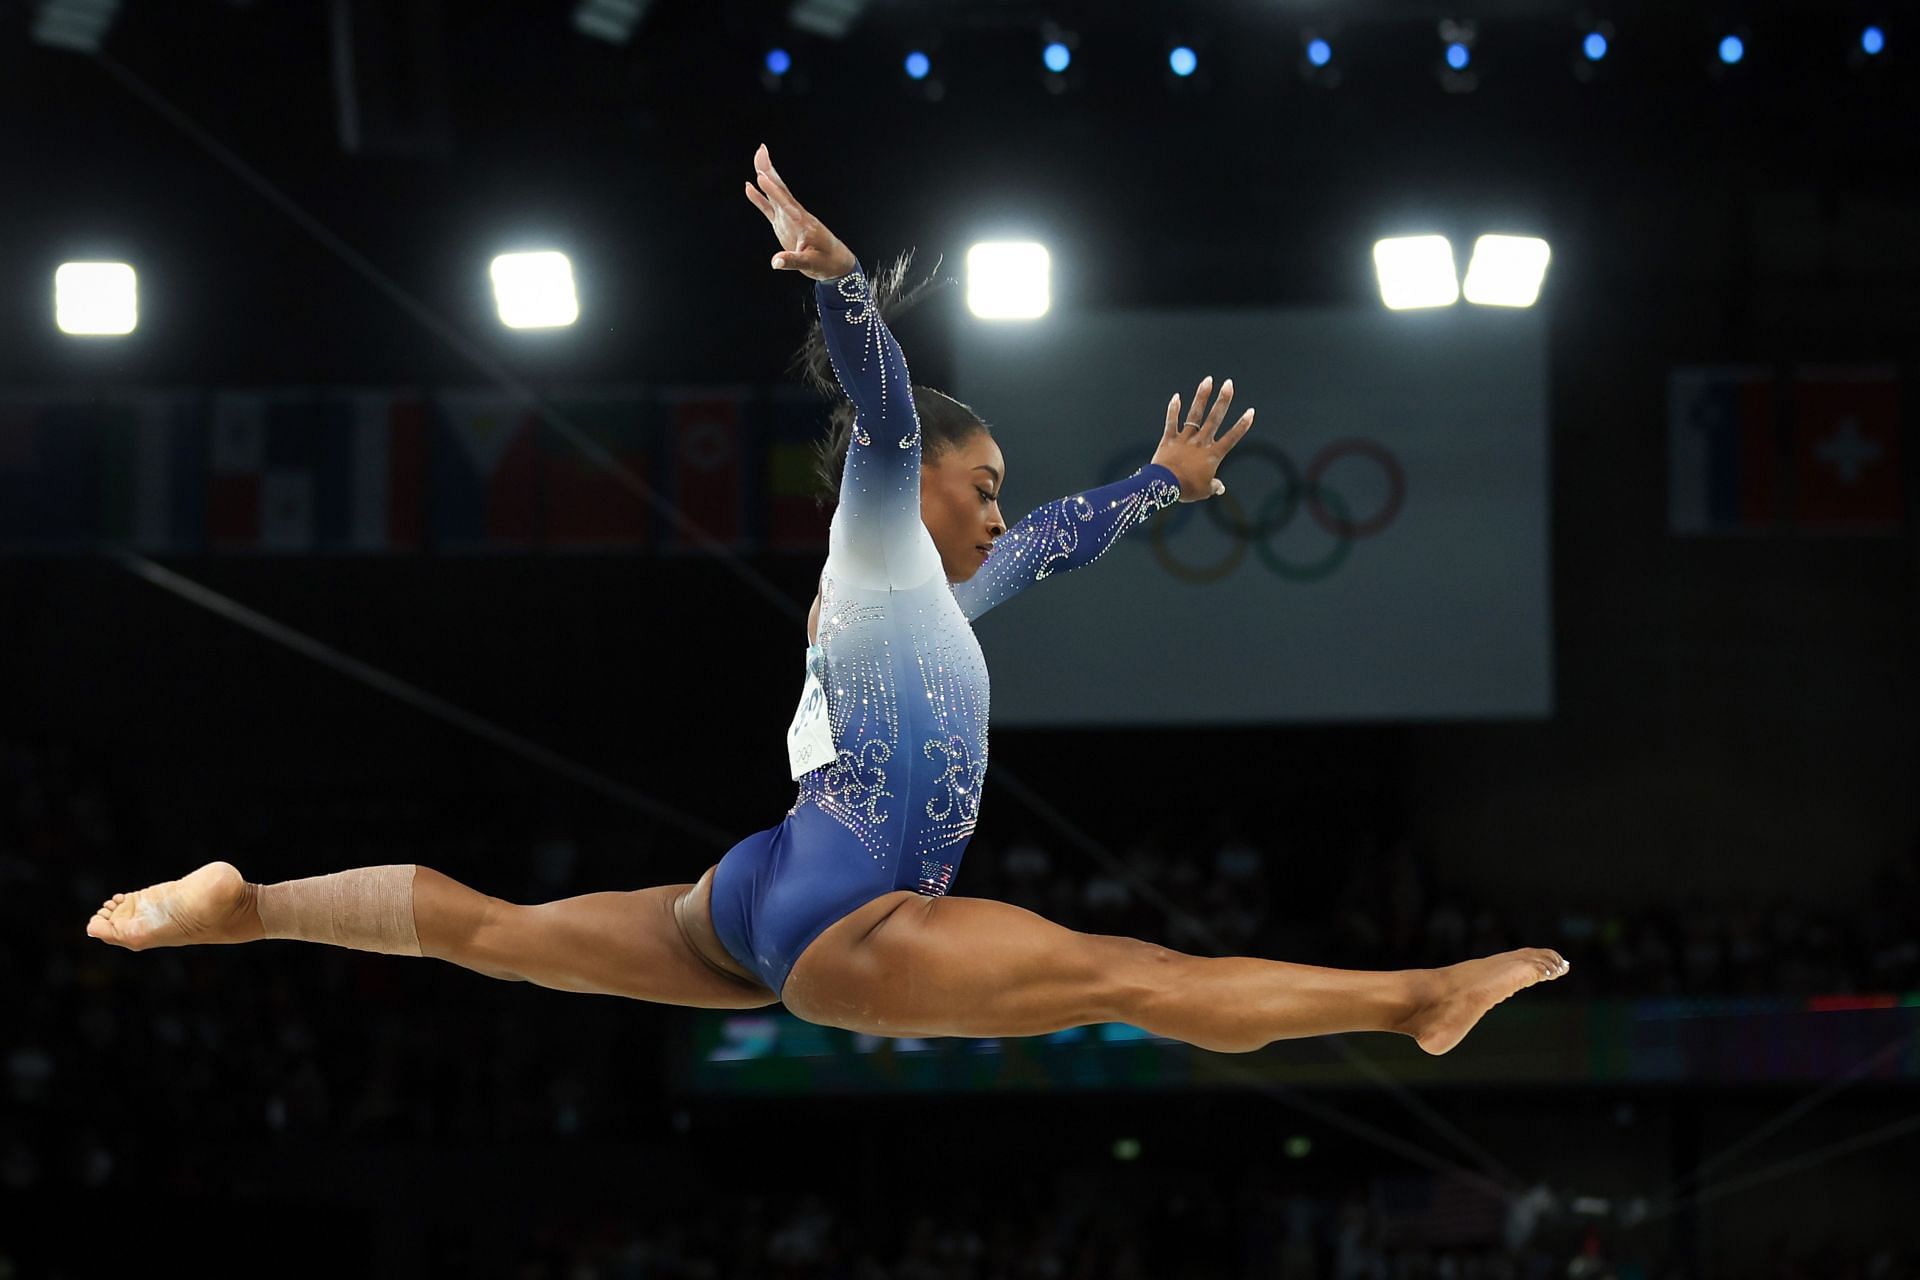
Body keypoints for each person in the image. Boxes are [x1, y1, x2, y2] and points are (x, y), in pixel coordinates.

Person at [85, 144, 1567, 1056]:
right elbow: (892, 416)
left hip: (767, 888)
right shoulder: (875, 531)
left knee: (492, 933)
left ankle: (249, 907)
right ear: (917, 483)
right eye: (980, 484)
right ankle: (1414, 1000)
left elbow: (1055, 537)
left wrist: (1160, 487)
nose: (992, 508)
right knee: (1136, 976)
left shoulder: (934, 597)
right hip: (852, 910)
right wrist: (845, 286)